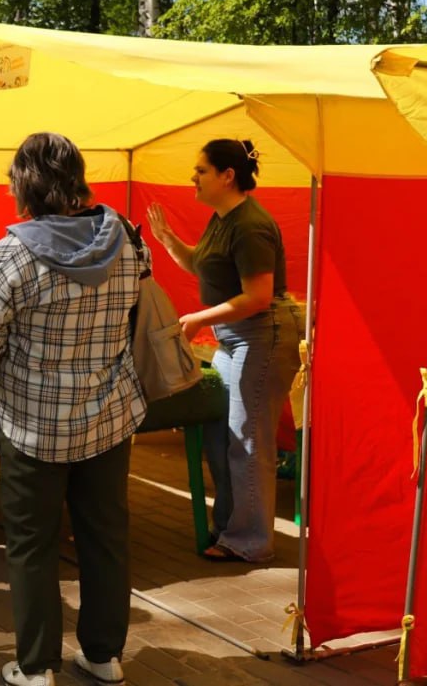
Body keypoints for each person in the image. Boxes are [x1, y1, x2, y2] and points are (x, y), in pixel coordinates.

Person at [0, 133, 148, 686]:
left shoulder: (13, 251)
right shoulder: (127, 238)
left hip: (33, 424)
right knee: (106, 537)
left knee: (32, 545)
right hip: (110, 417)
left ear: (25, 185)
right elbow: (136, 310)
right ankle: (104, 655)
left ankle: (38, 664)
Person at [146, 139, 302, 564]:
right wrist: (167, 240)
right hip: (235, 338)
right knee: (221, 432)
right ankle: (232, 525)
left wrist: (198, 319)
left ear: (227, 176)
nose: (193, 178)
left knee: (248, 441)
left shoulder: (250, 225)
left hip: (261, 337)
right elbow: (202, 264)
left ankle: (251, 541)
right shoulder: (222, 219)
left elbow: (257, 296)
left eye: (200, 171)